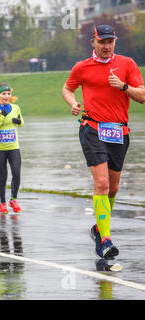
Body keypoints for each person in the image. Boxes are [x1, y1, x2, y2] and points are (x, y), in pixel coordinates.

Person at [62, 24, 145, 259]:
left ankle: (99, 227)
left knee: (114, 187)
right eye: (102, 42)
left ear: (115, 42)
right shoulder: (82, 67)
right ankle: (105, 241)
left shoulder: (127, 64)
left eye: (110, 42)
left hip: (119, 132)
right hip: (92, 128)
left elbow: (142, 96)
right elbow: (67, 89)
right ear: (94, 42)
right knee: (101, 183)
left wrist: (124, 86)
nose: (107, 46)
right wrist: (73, 103)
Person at [0, 83, 24, 215]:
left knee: (16, 173)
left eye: (8, 94)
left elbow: (22, 122)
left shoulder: (15, 107)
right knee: (3, 177)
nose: (6, 96)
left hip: (14, 147)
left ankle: (13, 199)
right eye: (4, 94)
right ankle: (2, 203)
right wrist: (2, 116)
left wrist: (18, 121)